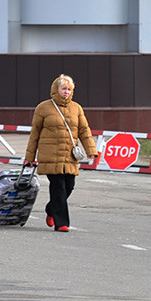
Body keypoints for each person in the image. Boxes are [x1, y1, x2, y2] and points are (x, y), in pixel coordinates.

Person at [23, 74, 98, 232]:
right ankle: (61, 223)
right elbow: (34, 133)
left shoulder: (76, 108)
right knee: (59, 187)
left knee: (69, 186)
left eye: (69, 89)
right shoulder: (43, 107)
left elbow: (84, 130)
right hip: (50, 155)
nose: (67, 92)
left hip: (69, 155)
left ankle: (51, 210)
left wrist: (91, 150)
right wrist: (29, 157)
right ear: (56, 89)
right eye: (64, 89)